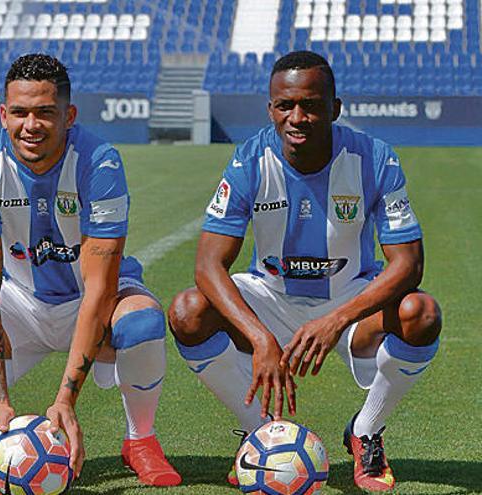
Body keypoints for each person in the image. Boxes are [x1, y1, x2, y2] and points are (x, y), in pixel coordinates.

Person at [168, 50, 441, 492]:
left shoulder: (374, 158)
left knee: (421, 313)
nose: (297, 117)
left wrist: (335, 319)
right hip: (270, 295)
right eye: (285, 105)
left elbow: (408, 263)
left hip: (350, 296)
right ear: (271, 109)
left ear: (334, 108)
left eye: (311, 105)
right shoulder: (249, 159)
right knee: (188, 311)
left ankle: (366, 432)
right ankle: (260, 435)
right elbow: (208, 264)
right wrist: (260, 338)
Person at [0, 53, 181, 486]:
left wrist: (66, 399)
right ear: (3, 114)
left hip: (90, 301)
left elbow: (100, 289)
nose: (30, 125)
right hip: (21, 299)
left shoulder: (99, 163)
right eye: (19, 112)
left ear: (68, 115)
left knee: (144, 322)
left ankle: (140, 441)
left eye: (44, 113)